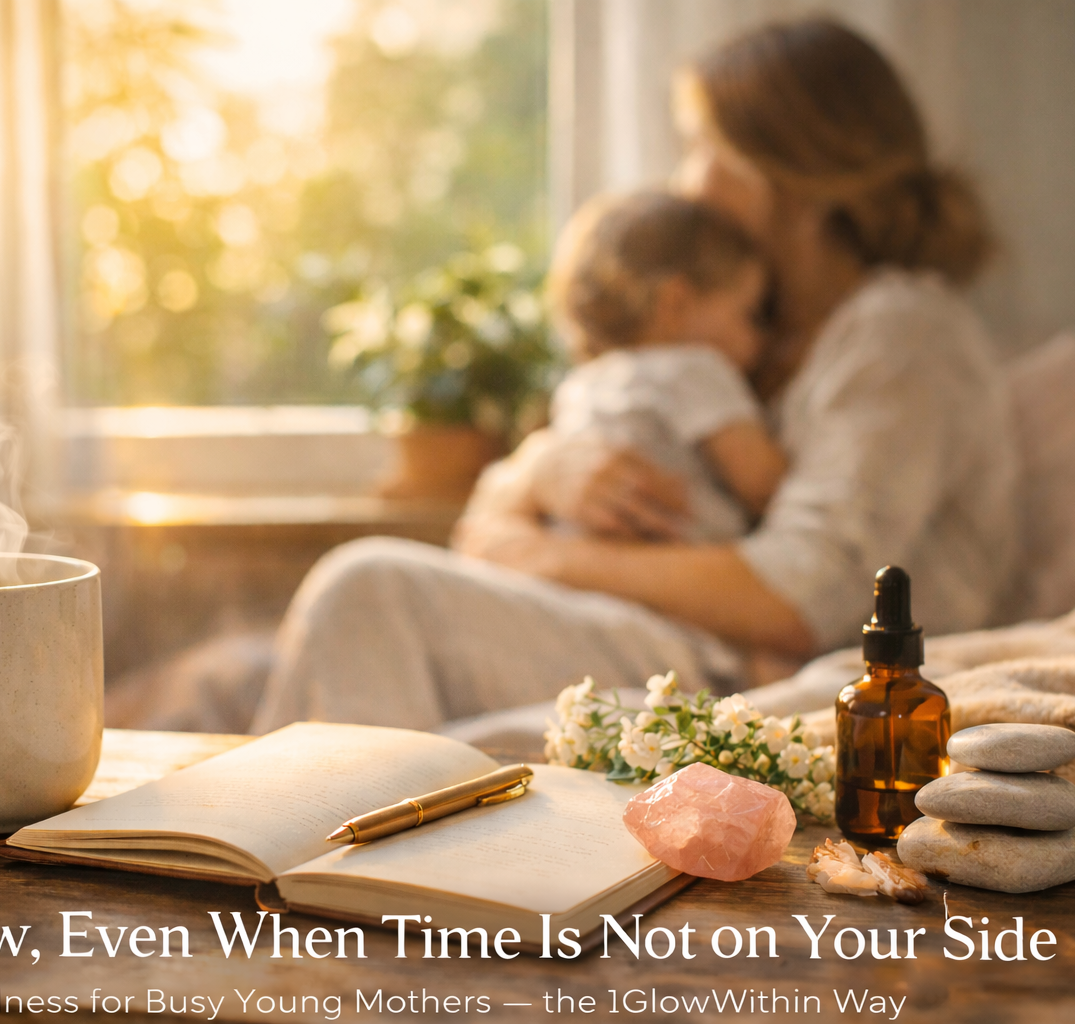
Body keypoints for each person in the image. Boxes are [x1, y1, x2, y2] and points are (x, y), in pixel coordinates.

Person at [250, 17, 1019, 733]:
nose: (689, 184)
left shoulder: (903, 333)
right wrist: (547, 473)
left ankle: (298, 854)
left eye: (704, 147)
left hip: (779, 672)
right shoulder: (746, 338)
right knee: (354, 619)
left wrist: (542, 554)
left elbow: (801, 593)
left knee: (368, 592)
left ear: (792, 175)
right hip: (687, 639)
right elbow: (488, 523)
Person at [545, 190, 784, 545]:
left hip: (581, 559)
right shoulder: (695, 369)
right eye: (749, 314)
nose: (761, 340)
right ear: (676, 303)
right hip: (671, 564)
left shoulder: (583, 384)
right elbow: (764, 486)